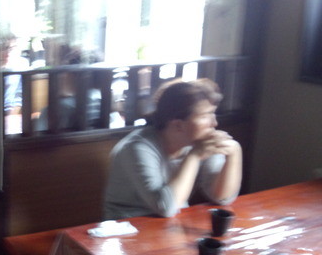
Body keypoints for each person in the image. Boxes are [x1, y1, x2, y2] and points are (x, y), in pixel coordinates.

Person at [103, 78, 242, 220]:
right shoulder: (136, 148)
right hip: (127, 225)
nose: (214, 123)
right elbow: (166, 207)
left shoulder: (200, 143)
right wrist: (194, 157)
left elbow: (221, 197)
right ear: (178, 125)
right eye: (205, 116)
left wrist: (234, 153)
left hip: (172, 223)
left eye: (213, 113)